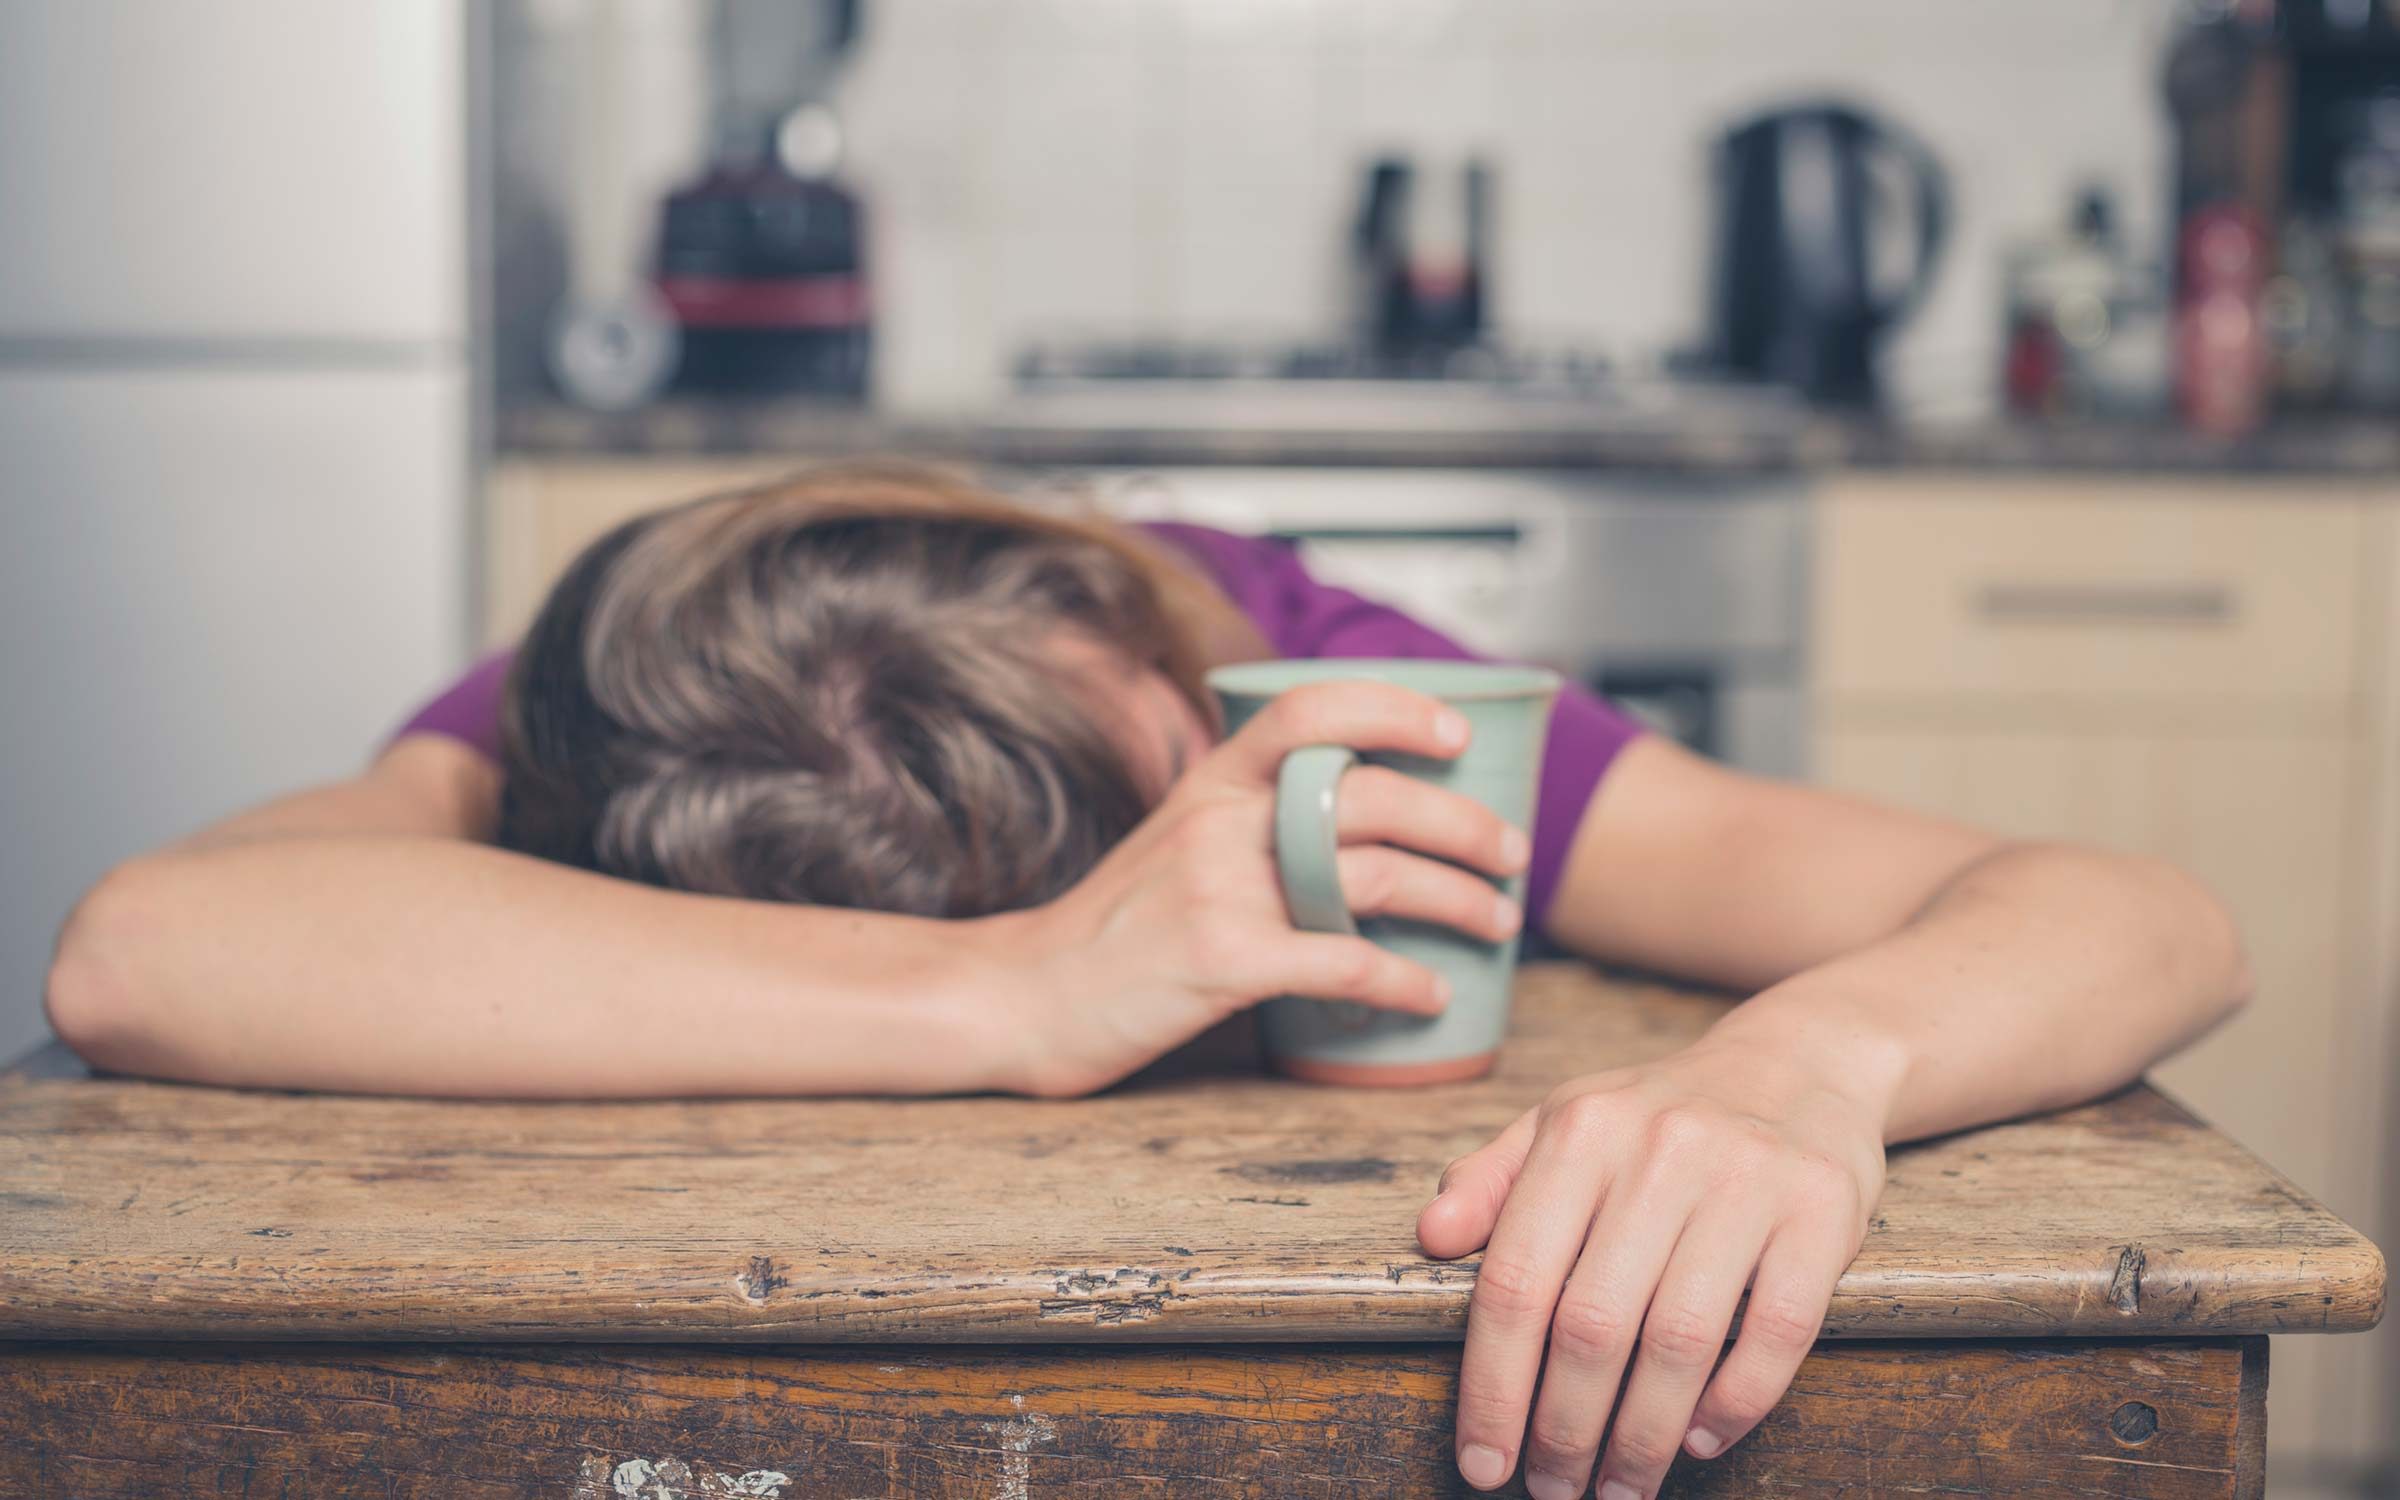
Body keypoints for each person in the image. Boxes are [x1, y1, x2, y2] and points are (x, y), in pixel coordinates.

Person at [44, 460, 2250, 1500]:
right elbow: (146, 950)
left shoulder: (1279, 657)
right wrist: (1017, 994)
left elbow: (2147, 914)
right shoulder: (648, 681)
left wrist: (1808, 1067)